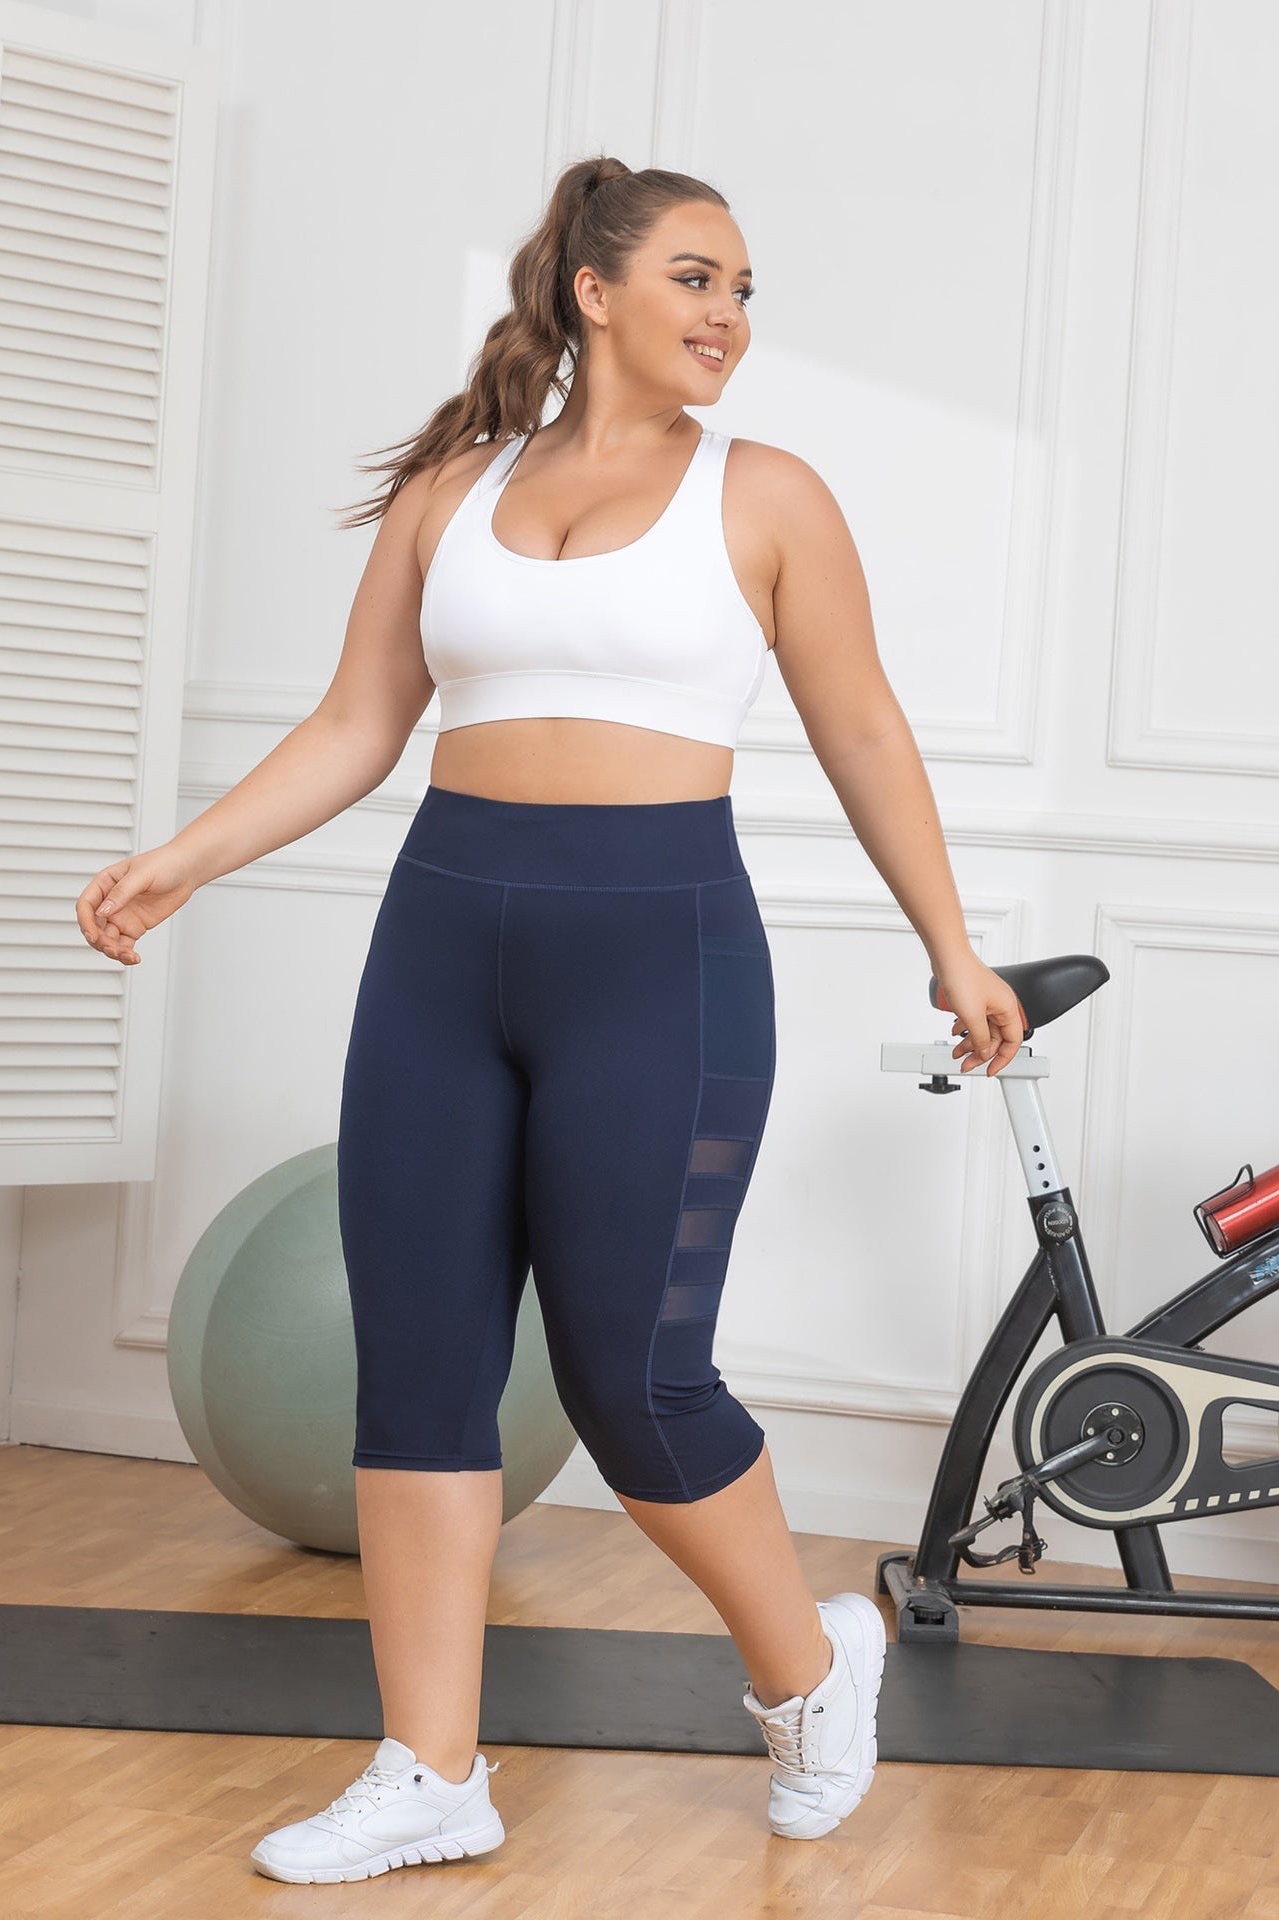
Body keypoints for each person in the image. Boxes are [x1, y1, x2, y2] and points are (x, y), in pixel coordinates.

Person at [76, 155, 1025, 1886]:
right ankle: (430, 1769)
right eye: (693, 278)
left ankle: (812, 1673)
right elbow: (361, 722)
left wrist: (952, 950)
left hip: (658, 961)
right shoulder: (456, 489)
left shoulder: (769, 496)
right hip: (443, 947)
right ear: (594, 292)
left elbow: (867, 736)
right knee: (423, 1373)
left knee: (636, 1383)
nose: (728, 316)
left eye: (742, 289)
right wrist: (184, 861)